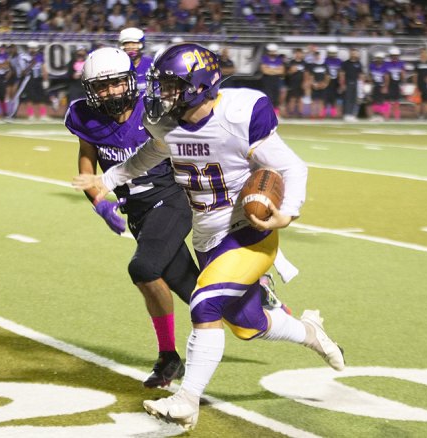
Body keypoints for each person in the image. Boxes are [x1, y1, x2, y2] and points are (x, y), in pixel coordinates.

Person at [73, 43, 345, 430]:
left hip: (248, 230)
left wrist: (288, 211)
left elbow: (291, 167)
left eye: (169, 86)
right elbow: (150, 155)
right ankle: (310, 333)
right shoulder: (169, 123)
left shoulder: (239, 113)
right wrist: (107, 180)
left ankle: (186, 400)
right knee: (247, 324)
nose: (160, 95)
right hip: (209, 236)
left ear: (197, 85)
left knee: (203, 304)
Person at [65, 47, 198, 388]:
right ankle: (258, 299)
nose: (109, 92)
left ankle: (168, 356)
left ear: (129, 81)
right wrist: (99, 202)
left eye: (115, 83)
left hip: (169, 200)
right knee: (198, 293)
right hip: (136, 211)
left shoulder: (153, 109)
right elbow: (86, 160)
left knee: (143, 267)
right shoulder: (85, 116)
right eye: (101, 86)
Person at [8, 41, 50, 120]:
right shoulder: (25, 56)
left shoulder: (40, 56)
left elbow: (43, 68)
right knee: (29, 98)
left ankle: (43, 114)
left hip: (38, 78)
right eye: (31, 48)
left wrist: (45, 80)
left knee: (41, 98)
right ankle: (31, 114)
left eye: (34, 48)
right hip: (28, 79)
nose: (32, 50)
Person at [118, 27, 153, 92]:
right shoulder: (117, 65)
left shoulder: (151, 64)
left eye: (134, 44)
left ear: (141, 45)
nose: (131, 47)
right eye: (127, 44)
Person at [259, 43, 285, 117]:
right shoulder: (264, 58)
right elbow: (264, 70)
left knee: (276, 97)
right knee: (268, 97)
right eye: (271, 51)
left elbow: (282, 71)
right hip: (267, 80)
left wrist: (270, 70)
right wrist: (275, 70)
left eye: (274, 51)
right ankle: (266, 113)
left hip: (276, 80)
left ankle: (275, 114)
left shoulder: (279, 60)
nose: (273, 53)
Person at [339, 47, 363, 122]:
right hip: (348, 82)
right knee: (347, 99)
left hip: (356, 83)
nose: (354, 54)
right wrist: (342, 84)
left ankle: (353, 115)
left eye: (355, 52)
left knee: (354, 99)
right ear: (350, 54)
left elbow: (360, 75)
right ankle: (347, 114)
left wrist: (361, 85)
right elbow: (342, 74)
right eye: (352, 52)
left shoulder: (358, 63)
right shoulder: (345, 63)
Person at [413, 47, 427, 119]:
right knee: (418, 102)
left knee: (426, 101)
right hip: (419, 85)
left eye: (425, 52)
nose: (424, 54)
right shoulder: (417, 63)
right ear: (420, 53)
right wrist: (416, 86)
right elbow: (415, 75)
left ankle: (426, 116)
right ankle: (418, 116)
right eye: (422, 52)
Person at [285, 47, 307, 118]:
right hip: (293, 83)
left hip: (301, 83)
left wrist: (305, 82)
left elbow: (307, 74)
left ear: (302, 54)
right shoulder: (291, 62)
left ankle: (300, 113)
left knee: (300, 98)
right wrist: (291, 71)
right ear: (295, 54)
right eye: (297, 53)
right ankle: (291, 113)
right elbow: (287, 73)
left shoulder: (304, 63)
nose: (298, 55)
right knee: (292, 98)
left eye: (300, 53)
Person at [385, 46, 405, 120]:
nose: (394, 57)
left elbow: (403, 74)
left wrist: (403, 84)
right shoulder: (387, 64)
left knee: (396, 101)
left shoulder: (401, 63)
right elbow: (386, 75)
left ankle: (397, 116)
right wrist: (386, 86)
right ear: (390, 56)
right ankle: (387, 116)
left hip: (397, 84)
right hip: (390, 84)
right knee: (387, 101)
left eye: (396, 56)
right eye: (393, 56)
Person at [323, 45, 342, 118]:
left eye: (333, 53)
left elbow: (340, 72)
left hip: (335, 81)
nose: (332, 55)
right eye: (330, 53)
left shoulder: (339, 61)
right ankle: (324, 113)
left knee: (334, 99)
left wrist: (340, 83)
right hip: (327, 81)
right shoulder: (324, 60)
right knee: (325, 98)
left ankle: (333, 114)